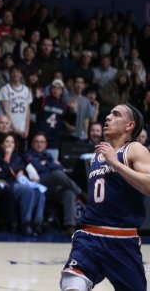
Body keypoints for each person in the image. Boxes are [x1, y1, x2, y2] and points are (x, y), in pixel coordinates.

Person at [60, 103, 150, 291]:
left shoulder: (134, 149)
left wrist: (116, 164)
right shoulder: (96, 157)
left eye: (116, 114)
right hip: (89, 236)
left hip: (122, 239)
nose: (108, 117)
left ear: (129, 126)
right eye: (109, 114)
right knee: (72, 283)